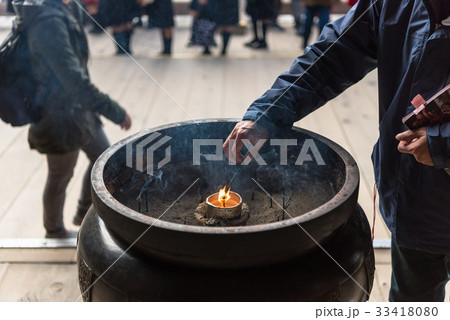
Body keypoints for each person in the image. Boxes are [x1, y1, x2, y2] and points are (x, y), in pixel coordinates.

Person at [223, 0, 450, 301]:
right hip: (414, 202)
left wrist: (442, 141)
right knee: (411, 299)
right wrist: (268, 113)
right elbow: (332, 55)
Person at [14, 0, 132, 238]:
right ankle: (54, 230)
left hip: (79, 109)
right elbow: (73, 80)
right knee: (59, 176)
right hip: (56, 115)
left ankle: (83, 213)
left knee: (104, 160)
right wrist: (115, 111)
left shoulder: (67, 7)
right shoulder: (47, 21)